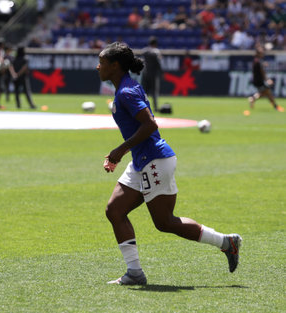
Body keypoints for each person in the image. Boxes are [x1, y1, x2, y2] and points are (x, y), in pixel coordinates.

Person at [96, 42, 241, 285]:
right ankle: (134, 273)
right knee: (115, 210)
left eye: (101, 61)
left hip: (154, 160)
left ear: (115, 66)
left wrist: (120, 150)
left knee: (165, 222)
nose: (97, 66)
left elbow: (151, 124)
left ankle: (227, 242)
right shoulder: (125, 88)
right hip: (143, 160)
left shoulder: (126, 92)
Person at [248, 47, 283, 112]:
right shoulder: (259, 62)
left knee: (266, 93)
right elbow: (262, 72)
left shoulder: (256, 60)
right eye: (261, 52)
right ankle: (253, 98)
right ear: (258, 54)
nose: (263, 53)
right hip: (259, 81)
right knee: (267, 93)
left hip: (255, 80)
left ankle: (275, 106)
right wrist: (267, 80)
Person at [141, 36, 162, 112]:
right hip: (153, 74)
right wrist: (161, 72)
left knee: (144, 92)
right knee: (154, 92)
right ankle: (155, 108)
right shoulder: (156, 51)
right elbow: (158, 63)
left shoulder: (145, 51)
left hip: (146, 73)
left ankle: (142, 106)